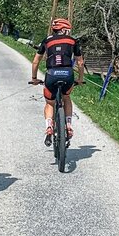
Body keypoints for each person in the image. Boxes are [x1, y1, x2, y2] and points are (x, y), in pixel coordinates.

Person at [29, 18, 84, 146]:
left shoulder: (47, 40)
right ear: (64, 30)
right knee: (66, 98)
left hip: (51, 74)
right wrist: (80, 79)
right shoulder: (73, 41)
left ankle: (49, 127)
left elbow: (36, 61)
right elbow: (80, 62)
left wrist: (34, 78)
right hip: (68, 75)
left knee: (50, 102)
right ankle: (68, 125)